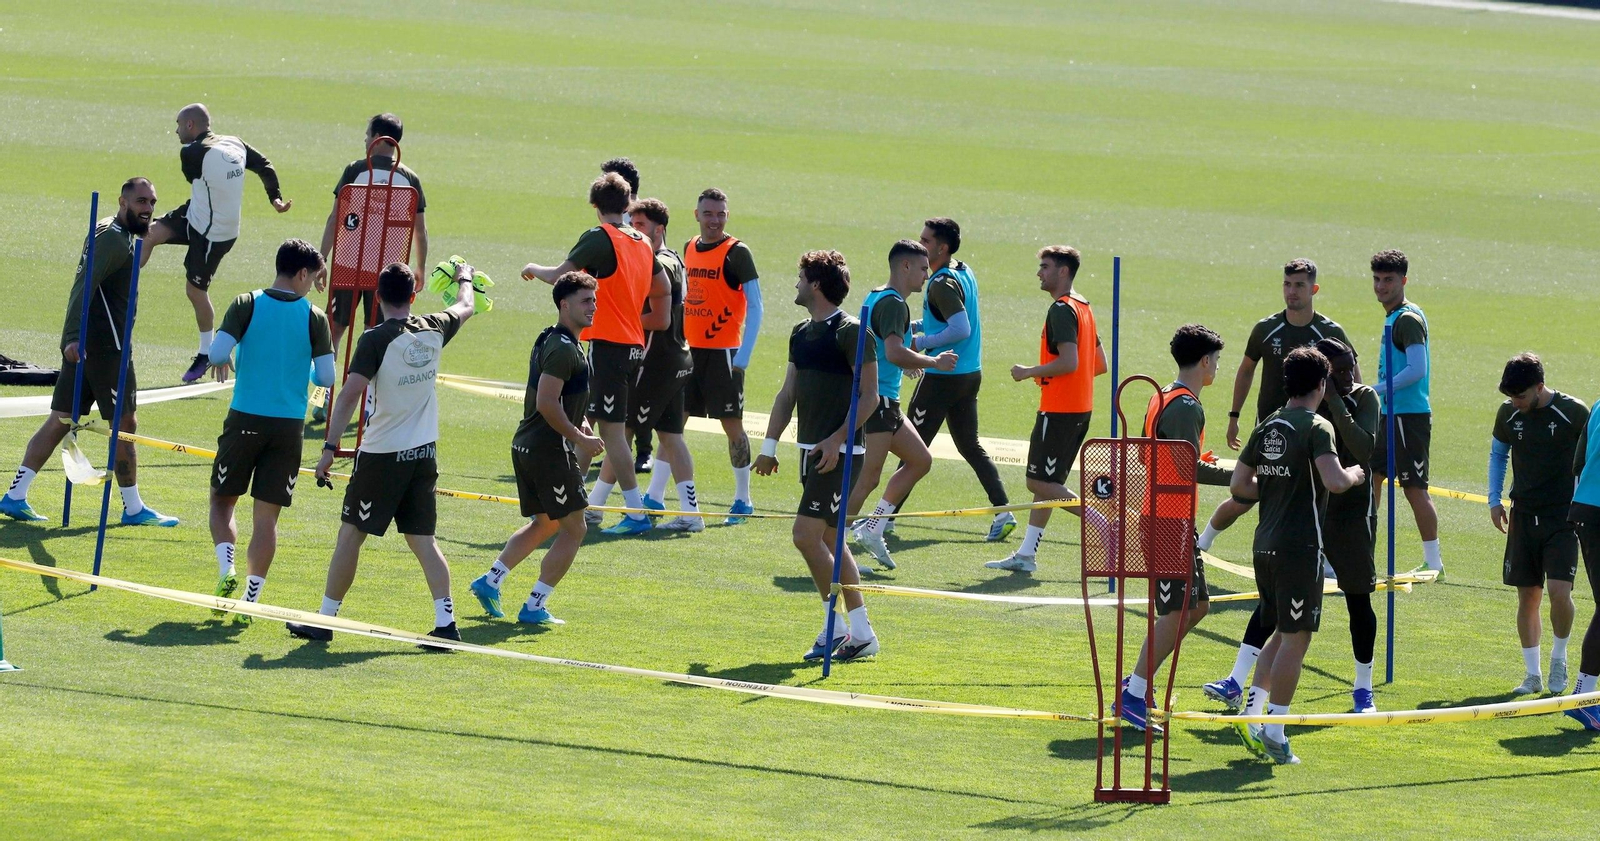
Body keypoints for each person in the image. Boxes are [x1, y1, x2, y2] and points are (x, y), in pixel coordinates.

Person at [285, 261, 478, 647]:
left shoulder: (374, 339)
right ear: (413, 295)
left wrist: (328, 448)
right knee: (423, 540)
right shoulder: (435, 327)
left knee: (350, 535)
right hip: (423, 454)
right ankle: (446, 624)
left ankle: (324, 621)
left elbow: (350, 394)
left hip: (382, 455)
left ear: (377, 297)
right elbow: (466, 306)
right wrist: (465, 277)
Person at [1202, 338, 1383, 714]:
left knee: (1357, 599)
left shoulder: (1363, 399)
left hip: (1347, 517)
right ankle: (1240, 685)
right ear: (1321, 378)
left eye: (1352, 366)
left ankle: (1363, 691)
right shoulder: (1301, 415)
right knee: (1275, 609)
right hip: (1304, 518)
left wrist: (1335, 400)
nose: (1349, 376)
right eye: (1340, 372)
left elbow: (1364, 449)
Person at [2, 178, 178, 527]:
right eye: (141, 201)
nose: (148, 209)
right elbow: (83, 285)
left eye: (152, 203)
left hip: (89, 348)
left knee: (61, 419)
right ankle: (132, 508)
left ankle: (15, 495)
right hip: (106, 350)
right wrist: (71, 337)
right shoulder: (113, 238)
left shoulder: (113, 232)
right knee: (125, 424)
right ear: (123, 202)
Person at [1230, 348, 1365, 765]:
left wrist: (1276, 486)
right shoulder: (1317, 426)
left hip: (1262, 544)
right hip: (1298, 547)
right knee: (1298, 638)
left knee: (1280, 633)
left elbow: (1239, 485)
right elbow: (1334, 480)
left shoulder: (1268, 424)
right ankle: (1276, 730)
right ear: (1322, 386)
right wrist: (1356, 474)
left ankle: (1252, 714)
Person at [522, 173, 671, 536]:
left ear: (595, 205)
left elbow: (561, 276)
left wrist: (531, 268)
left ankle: (635, 512)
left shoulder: (599, 237)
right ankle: (573, 505)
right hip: (632, 343)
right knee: (587, 424)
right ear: (627, 204)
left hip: (609, 345)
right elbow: (662, 286)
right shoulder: (641, 241)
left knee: (614, 433)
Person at [754, 250, 880, 662]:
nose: (795, 284)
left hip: (840, 454)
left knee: (804, 536)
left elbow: (870, 397)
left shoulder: (853, 332)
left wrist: (836, 439)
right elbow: (787, 393)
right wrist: (769, 447)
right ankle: (858, 632)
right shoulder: (800, 333)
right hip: (812, 453)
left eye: (801, 277)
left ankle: (837, 628)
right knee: (829, 538)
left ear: (817, 285)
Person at [204, 239, 334, 621]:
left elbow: (214, 354)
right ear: (302, 273)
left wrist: (228, 356)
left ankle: (226, 570)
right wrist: (301, 371)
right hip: (288, 428)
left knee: (222, 500)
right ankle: (251, 597)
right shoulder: (314, 317)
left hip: (244, 418)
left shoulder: (247, 303)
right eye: (313, 277)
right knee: (267, 519)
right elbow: (325, 377)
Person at [469, 272, 604, 625]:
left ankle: (490, 580)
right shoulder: (562, 348)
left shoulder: (558, 340)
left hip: (528, 445)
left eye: (594, 299)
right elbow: (546, 402)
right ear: (564, 304)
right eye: (585, 300)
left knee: (545, 524)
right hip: (548, 450)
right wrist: (580, 438)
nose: (593, 306)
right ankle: (534, 606)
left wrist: (583, 425)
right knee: (575, 529)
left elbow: (562, 398)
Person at [1116, 325, 1232, 733]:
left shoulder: (1164, 396)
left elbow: (1167, 457)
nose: (1218, 368)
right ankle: (1132, 695)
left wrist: (1203, 460)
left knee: (1196, 607)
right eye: (1216, 361)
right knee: (1174, 612)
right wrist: (1237, 478)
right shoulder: (1185, 406)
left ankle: (1136, 686)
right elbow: (1185, 466)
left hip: (1170, 518)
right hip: (1167, 522)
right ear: (1204, 361)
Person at [1200, 259, 1354, 552]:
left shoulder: (1330, 331)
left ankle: (1322, 556)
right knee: (1249, 496)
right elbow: (1246, 371)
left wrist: (1349, 419)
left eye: (1299, 285)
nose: (1291, 291)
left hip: (1314, 428)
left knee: (1319, 492)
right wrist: (1234, 416)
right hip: (1272, 429)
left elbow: (1352, 376)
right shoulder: (1266, 329)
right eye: (1287, 284)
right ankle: (1204, 540)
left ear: (1314, 289)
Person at [140, 104, 291, 383]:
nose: (175, 130)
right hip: (197, 212)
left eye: (178, 124)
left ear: (190, 125)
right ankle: (125, 286)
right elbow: (264, 165)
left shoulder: (191, 153)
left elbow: (195, 177)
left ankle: (207, 351)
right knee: (149, 235)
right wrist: (275, 198)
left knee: (195, 290)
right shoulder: (235, 143)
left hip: (214, 233)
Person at [890, 217, 1015, 541]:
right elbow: (946, 318)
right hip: (969, 374)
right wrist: (917, 326)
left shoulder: (940, 283)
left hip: (943, 376)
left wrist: (918, 343)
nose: (920, 245)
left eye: (926, 241)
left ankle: (883, 518)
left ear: (942, 248)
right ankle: (1003, 511)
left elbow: (960, 328)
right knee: (969, 445)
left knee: (910, 447)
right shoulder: (963, 270)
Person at [987, 246, 1107, 573]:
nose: (1039, 273)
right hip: (1080, 409)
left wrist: (1030, 371)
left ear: (1063, 272)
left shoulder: (1061, 310)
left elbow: (1070, 361)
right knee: (1048, 483)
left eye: (1045, 266)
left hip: (1059, 411)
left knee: (1037, 483)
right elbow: (1099, 365)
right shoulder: (1084, 307)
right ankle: (1027, 555)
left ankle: (1101, 523)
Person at [848, 240, 956, 570]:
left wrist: (909, 362)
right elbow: (894, 351)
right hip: (877, 400)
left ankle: (873, 526)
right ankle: (835, 548)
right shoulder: (894, 303)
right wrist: (933, 361)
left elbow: (884, 347)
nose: (927, 275)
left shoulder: (878, 295)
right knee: (867, 479)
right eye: (923, 268)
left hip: (886, 401)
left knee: (920, 460)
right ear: (905, 267)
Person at [314, 113, 429, 419]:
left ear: (378, 136)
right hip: (387, 273)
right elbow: (420, 230)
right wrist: (420, 267)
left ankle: (322, 398)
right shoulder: (410, 178)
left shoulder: (355, 169)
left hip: (348, 265)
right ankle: (369, 404)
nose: (364, 139)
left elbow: (335, 218)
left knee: (333, 332)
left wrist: (321, 259)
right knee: (376, 336)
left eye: (367, 134)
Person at [1490, 353, 1587, 696]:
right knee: (1528, 596)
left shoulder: (1574, 413)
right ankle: (1532, 675)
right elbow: (1498, 453)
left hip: (1563, 517)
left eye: (1521, 396)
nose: (1515, 403)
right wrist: (1493, 498)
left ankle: (1558, 658)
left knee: (1560, 593)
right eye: (1511, 397)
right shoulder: (1509, 413)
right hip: (1522, 514)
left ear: (1540, 387)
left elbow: (1592, 459)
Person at [619, 198, 703, 532]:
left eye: (640, 226)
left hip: (656, 362)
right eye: (632, 225)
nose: (634, 231)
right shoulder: (675, 259)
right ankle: (692, 514)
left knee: (620, 431)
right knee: (671, 437)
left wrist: (623, 319)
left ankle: (618, 511)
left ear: (659, 228)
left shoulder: (659, 263)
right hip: (678, 358)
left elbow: (658, 319)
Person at [682, 188, 764, 524]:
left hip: (724, 354)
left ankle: (743, 500)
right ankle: (655, 498)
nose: (714, 220)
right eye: (708, 213)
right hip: (690, 353)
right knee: (674, 425)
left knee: (733, 427)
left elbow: (757, 306)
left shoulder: (737, 253)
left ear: (727, 216)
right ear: (697, 214)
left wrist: (742, 358)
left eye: (720, 214)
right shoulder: (688, 247)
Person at [1371, 249, 1444, 575]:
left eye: (1388, 280)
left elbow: (1417, 369)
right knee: (1370, 479)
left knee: (1415, 488)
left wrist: (1376, 390)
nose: (1381, 286)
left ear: (1403, 280)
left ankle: (1433, 562)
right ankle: (1359, 553)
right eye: (1377, 279)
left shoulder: (1407, 319)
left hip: (1407, 416)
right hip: (1390, 414)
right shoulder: (1395, 316)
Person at [598, 157, 657, 474]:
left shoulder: (640, 218)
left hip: (638, 318)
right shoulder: (606, 222)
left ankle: (643, 449)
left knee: (638, 389)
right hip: (616, 318)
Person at [1564, 393, 1600, 730]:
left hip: (1586, 511)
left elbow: (1578, 464)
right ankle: (1584, 698)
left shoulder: (1599, 406)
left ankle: (1584, 696)